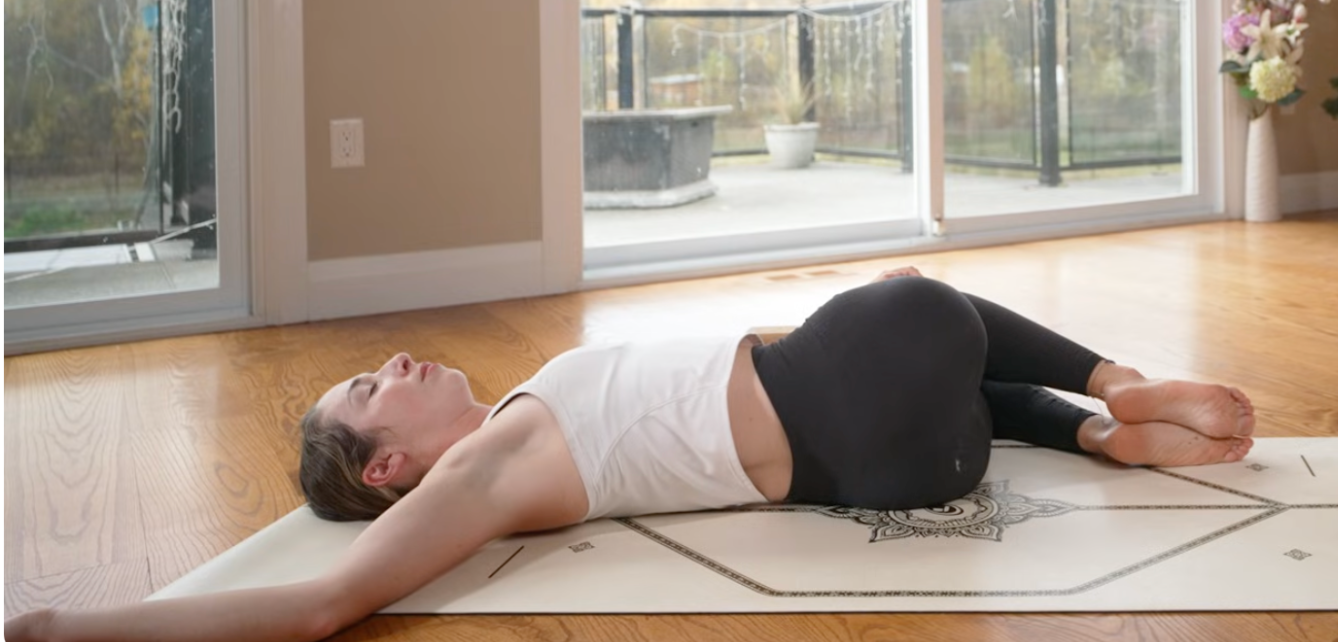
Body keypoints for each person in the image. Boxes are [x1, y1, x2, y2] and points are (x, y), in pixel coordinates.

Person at [3, 268, 1255, 642]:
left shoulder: (514, 451)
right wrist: (65, 630)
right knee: (932, 307)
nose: (396, 366)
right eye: (371, 391)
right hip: (859, 375)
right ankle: (1111, 384)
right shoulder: (485, 468)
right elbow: (324, 600)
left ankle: (1094, 431)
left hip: (912, 466)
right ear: (384, 469)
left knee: (955, 378)